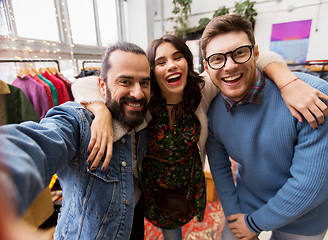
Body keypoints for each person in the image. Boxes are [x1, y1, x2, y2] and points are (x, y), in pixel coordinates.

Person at [71, 36, 328, 240]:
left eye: (177, 57)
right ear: (152, 73)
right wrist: (101, 111)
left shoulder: (201, 91)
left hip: (188, 188)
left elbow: (253, 59)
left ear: (188, 61)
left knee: (178, 233)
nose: (171, 65)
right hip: (154, 189)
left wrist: (287, 81)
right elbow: (84, 84)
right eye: (160, 62)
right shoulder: (145, 101)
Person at [0, 41, 151, 240]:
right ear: (102, 87)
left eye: (144, 83)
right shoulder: (77, 122)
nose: (138, 93)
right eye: (125, 82)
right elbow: (36, 143)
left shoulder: (145, 118)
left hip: (133, 219)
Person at [202, 14, 328, 240]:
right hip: (247, 201)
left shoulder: (311, 96)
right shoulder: (212, 112)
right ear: (207, 67)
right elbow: (220, 170)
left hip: (304, 216)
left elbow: (311, 185)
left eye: (240, 53)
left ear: (256, 53)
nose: (229, 66)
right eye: (217, 59)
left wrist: (254, 223)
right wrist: (234, 214)